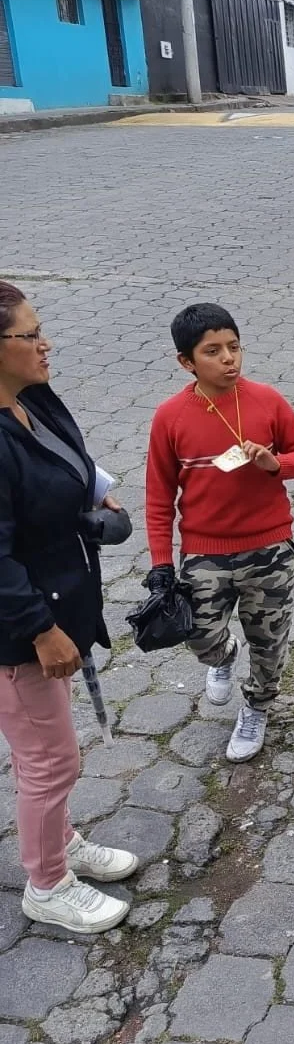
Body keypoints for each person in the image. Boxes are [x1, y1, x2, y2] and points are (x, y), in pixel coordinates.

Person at [0, 281, 140, 934]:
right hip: (20, 633)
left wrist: (96, 495)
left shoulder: (30, 399)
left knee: (52, 749)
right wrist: (41, 630)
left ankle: (61, 843)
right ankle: (47, 882)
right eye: (29, 335)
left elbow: (67, 458)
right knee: (52, 758)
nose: (45, 342)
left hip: (56, 600)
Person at [144, 304, 294, 763]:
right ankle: (223, 657)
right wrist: (162, 563)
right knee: (199, 634)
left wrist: (276, 464)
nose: (229, 359)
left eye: (235, 347)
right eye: (213, 351)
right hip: (204, 551)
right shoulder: (170, 417)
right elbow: (160, 497)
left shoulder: (266, 400)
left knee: (269, 639)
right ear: (186, 362)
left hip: (269, 547)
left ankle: (258, 707)